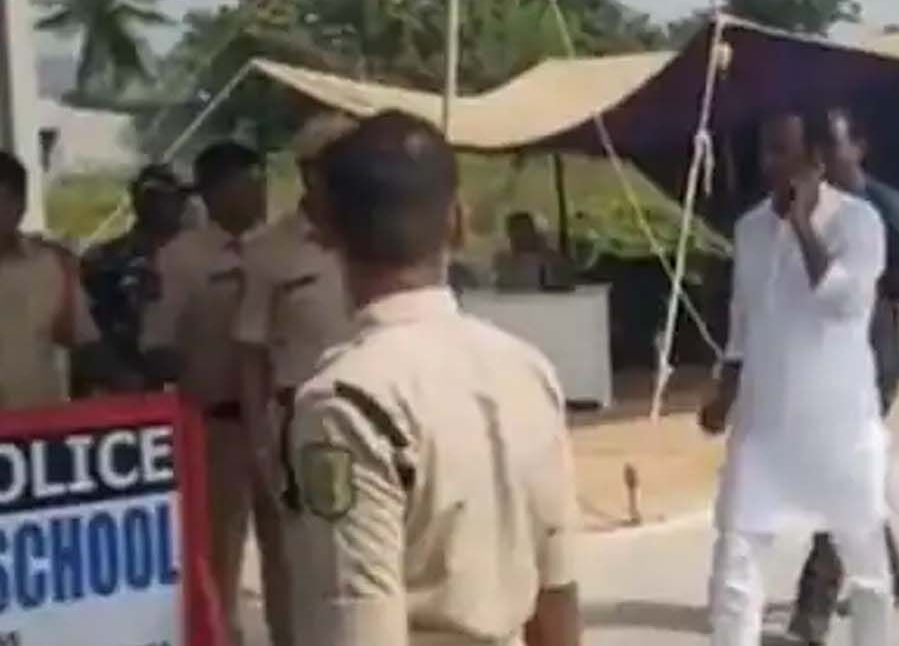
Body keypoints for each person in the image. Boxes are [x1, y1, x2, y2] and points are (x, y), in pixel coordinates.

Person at [282, 110, 581, 646]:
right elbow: (556, 591)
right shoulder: (526, 368)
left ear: (327, 228)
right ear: (458, 222)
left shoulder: (345, 404)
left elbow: (359, 624)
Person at [699, 110, 892, 646]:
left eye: (781, 151)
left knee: (867, 567)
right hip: (764, 426)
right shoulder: (750, 229)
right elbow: (743, 323)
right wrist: (725, 394)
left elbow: (844, 302)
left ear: (815, 159)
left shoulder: (859, 222)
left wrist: (804, 225)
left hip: (840, 428)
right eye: (765, 150)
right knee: (735, 555)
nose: (768, 163)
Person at [788, 108, 899, 644]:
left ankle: (812, 611)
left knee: (840, 475)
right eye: (816, 148)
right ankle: (889, 573)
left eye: (833, 145)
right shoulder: (807, 213)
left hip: (874, 358)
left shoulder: (887, 210)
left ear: (859, 147)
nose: (823, 158)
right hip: (822, 361)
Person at [233, 113, 357, 646]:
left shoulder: (378, 234)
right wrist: (258, 441)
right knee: (296, 559)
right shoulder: (268, 250)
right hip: (300, 422)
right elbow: (250, 350)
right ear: (309, 173)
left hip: (378, 415)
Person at [142, 140, 268, 643]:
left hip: (281, 424)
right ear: (214, 192)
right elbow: (157, 342)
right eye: (245, 184)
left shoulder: (282, 250)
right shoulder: (179, 258)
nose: (258, 194)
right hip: (217, 427)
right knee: (218, 554)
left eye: (260, 181)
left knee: (295, 554)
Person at [0, 150, 101, 409]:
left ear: (21, 206)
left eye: (3, 200)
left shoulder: (54, 265)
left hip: (39, 423)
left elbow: (83, 343)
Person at [80, 163, 188, 396]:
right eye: (155, 196)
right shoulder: (102, 260)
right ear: (136, 199)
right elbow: (85, 333)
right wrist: (116, 373)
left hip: (195, 384)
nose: (166, 204)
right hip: (126, 387)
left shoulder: (203, 255)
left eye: (175, 196)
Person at [492, 210, 574, 291]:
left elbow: (568, 283)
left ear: (534, 232)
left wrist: (544, 250)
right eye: (516, 229)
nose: (522, 234)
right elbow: (495, 286)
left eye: (526, 228)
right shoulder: (501, 260)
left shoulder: (551, 259)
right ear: (509, 233)